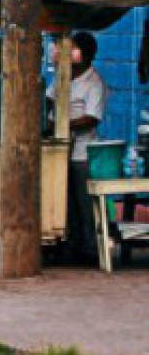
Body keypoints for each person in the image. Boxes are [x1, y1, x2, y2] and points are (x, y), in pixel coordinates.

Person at [60, 31, 107, 261]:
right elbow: (50, 98)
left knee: (83, 202)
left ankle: (89, 246)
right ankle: (71, 243)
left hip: (82, 152)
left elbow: (92, 117)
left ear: (86, 54)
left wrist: (65, 124)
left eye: (74, 48)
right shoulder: (65, 76)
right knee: (65, 201)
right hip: (62, 150)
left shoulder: (94, 82)